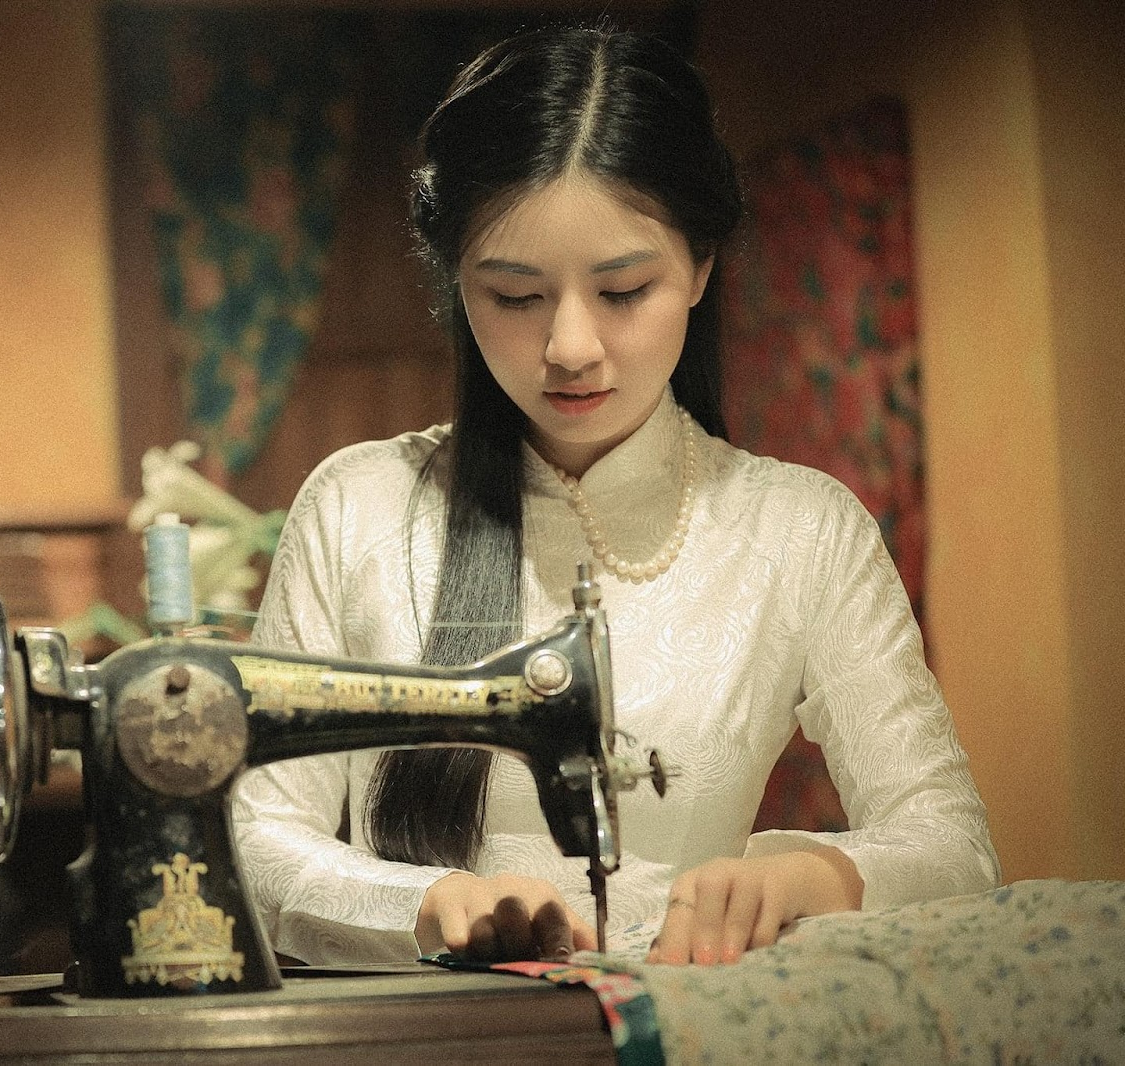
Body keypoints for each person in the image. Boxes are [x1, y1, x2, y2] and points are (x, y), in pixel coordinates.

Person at [230, 21, 999, 968]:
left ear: (701, 264)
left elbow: (952, 847)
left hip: (686, 1020)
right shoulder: (360, 510)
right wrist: (422, 902)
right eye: (515, 297)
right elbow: (256, 839)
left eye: (625, 290)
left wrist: (807, 878)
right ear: (458, 282)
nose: (571, 348)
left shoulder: (802, 531)